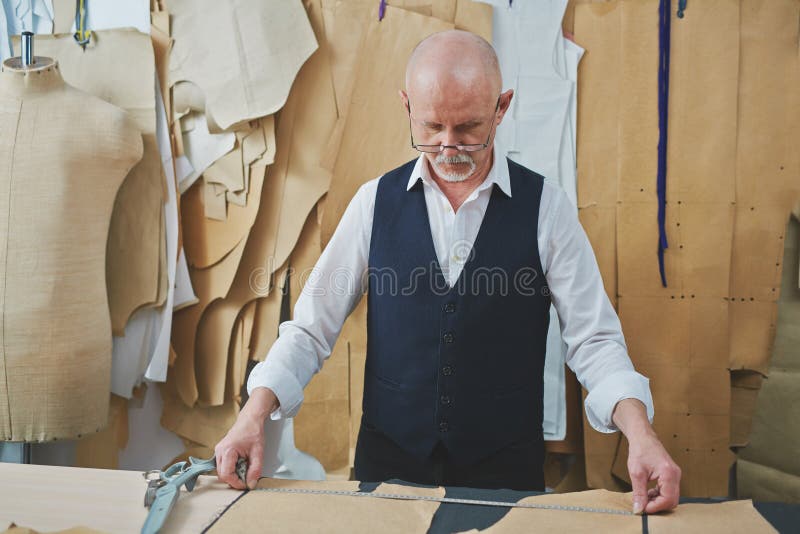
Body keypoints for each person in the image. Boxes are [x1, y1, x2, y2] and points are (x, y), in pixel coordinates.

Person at [215, 30, 681, 515]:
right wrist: (253, 415)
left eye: (469, 128)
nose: (448, 146)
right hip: (388, 471)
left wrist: (640, 434)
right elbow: (311, 328)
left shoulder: (547, 209)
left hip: (504, 477)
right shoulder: (374, 203)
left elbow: (594, 340)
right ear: (406, 106)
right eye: (431, 126)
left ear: (502, 108)